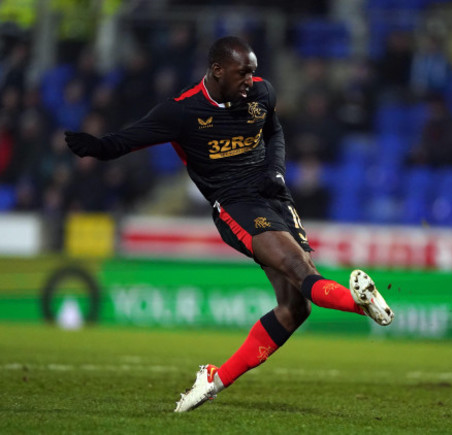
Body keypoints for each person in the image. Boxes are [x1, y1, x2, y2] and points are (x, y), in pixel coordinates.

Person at [64, 36, 394, 412]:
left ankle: (214, 379)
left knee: (295, 307)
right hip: (235, 205)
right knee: (295, 267)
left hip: (274, 198)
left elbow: (275, 132)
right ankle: (358, 301)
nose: (251, 80)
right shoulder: (183, 112)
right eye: (243, 73)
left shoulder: (260, 94)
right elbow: (129, 139)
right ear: (218, 70)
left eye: (253, 71)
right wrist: (95, 147)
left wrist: (276, 171)